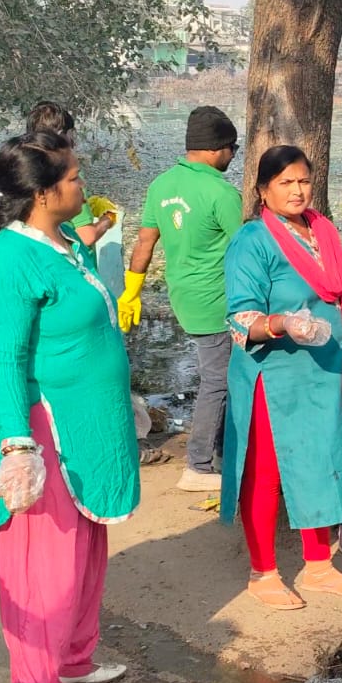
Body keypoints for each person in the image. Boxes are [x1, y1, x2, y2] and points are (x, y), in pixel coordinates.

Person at [0, 131, 139, 683]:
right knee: (45, 570)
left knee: (86, 552)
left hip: (85, 428)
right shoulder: (9, 260)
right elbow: (5, 362)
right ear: (41, 192)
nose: (84, 186)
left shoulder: (62, 244)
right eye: (76, 178)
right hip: (39, 430)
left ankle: (74, 660)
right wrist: (17, 447)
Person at [221, 145, 342, 609]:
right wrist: (280, 324)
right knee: (267, 472)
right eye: (285, 182)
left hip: (324, 369)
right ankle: (263, 570)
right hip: (275, 376)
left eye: (303, 181)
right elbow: (239, 318)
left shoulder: (323, 231)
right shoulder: (252, 241)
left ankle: (318, 567)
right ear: (263, 190)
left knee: (322, 463)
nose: (297, 190)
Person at [119, 106, 242, 493]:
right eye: (232, 148)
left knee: (218, 377)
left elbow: (145, 242)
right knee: (218, 382)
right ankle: (199, 465)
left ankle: (222, 455)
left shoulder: (161, 185)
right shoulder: (221, 192)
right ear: (216, 149)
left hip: (183, 298)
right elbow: (249, 248)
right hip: (218, 300)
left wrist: (132, 289)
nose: (233, 156)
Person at [24, 101, 118, 265]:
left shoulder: (24, 168)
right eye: (71, 133)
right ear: (62, 135)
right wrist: (109, 218)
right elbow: (86, 236)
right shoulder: (65, 172)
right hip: (72, 264)